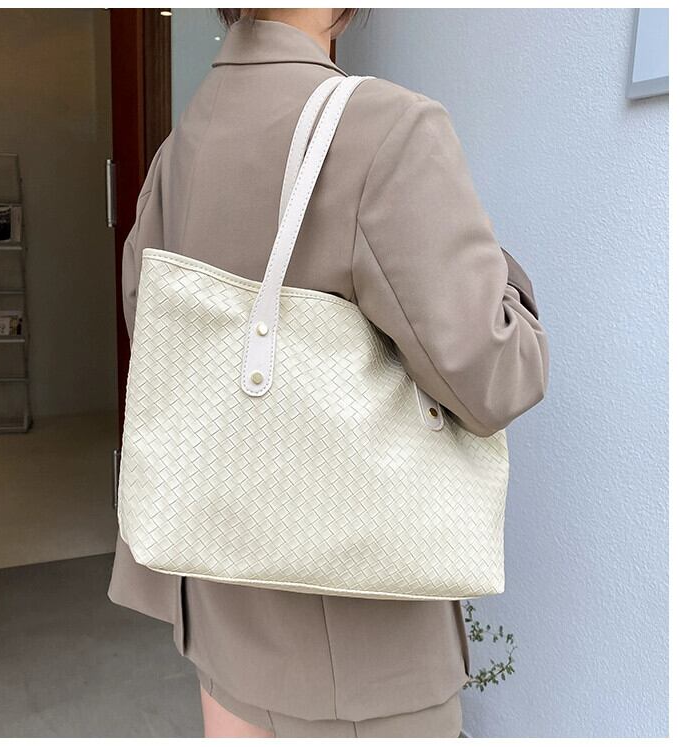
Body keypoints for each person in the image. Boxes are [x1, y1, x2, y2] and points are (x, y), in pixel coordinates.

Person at [108, 7, 549, 738]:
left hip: (218, 619)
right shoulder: (386, 131)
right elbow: (497, 373)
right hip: (361, 666)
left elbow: (157, 338)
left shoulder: (177, 151)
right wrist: (492, 270)